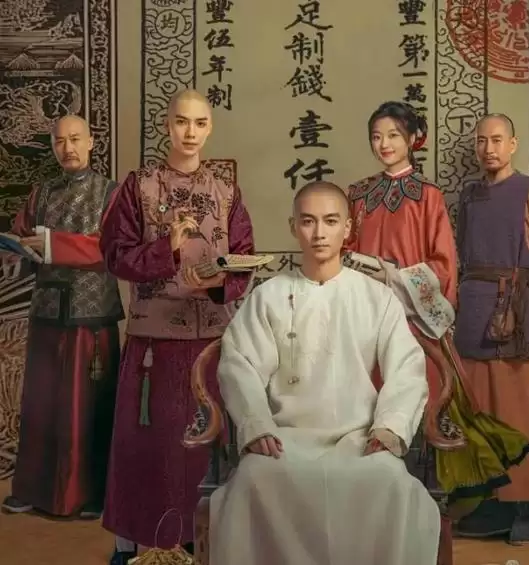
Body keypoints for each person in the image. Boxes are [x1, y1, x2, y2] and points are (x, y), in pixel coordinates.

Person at [209, 180, 440, 565]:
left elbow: (407, 367)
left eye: (331, 221)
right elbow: (239, 364)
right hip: (286, 439)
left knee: (391, 481)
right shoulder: (268, 296)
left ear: (347, 228)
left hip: (358, 438)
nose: (319, 233)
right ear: (293, 226)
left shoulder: (376, 297)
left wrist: (390, 427)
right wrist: (257, 425)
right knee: (252, 480)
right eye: (308, 221)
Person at [345, 101, 529, 513]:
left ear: (414, 139)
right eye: (376, 137)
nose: (384, 144)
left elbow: (445, 264)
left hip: (413, 322)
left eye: (394, 136)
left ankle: (418, 504)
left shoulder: (427, 197)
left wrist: (395, 276)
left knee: (420, 404)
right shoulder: (357, 195)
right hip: (363, 320)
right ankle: (366, 503)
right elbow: (344, 251)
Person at [99, 89, 254, 565]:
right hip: (155, 345)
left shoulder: (226, 191)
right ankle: (138, 546)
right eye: (182, 122)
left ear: (210, 128)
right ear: (167, 126)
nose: (191, 132)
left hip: (210, 344)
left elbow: (244, 257)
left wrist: (218, 281)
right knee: (150, 448)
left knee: (204, 447)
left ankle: (202, 544)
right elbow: (115, 255)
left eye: (200, 123)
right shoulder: (139, 186)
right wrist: (165, 249)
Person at [453, 113, 529, 544]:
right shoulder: (469, 196)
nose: (489, 148)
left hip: (520, 315)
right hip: (474, 312)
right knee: (482, 413)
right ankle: (495, 501)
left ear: (513, 144)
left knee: (523, 412)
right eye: (481, 140)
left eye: (497, 139)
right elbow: (463, 253)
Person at [0, 115, 123, 519]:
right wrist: (18, 251)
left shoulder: (111, 193)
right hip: (48, 310)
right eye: (59, 141)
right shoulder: (41, 192)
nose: (67, 148)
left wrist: (53, 244)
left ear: (91, 141)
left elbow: (113, 249)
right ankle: (33, 490)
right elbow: (22, 235)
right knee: (41, 403)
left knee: (87, 406)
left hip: (92, 314)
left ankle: (91, 495)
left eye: (75, 139)